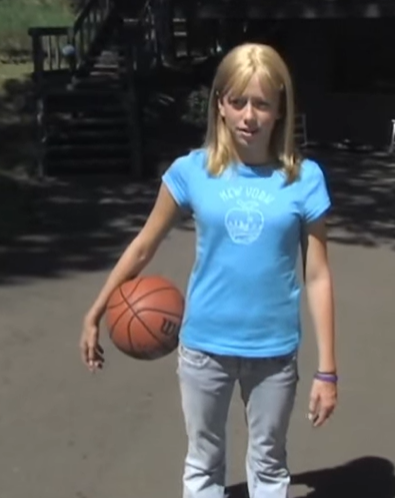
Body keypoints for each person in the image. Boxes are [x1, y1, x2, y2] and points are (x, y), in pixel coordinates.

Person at [79, 42, 337, 498]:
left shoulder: (303, 178)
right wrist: (95, 311)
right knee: (203, 463)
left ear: (280, 109)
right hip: (204, 347)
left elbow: (317, 276)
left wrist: (327, 371)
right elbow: (143, 246)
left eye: (261, 103)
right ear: (219, 104)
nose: (248, 116)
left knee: (270, 466)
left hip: (274, 351)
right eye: (237, 101)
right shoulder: (192, 171)